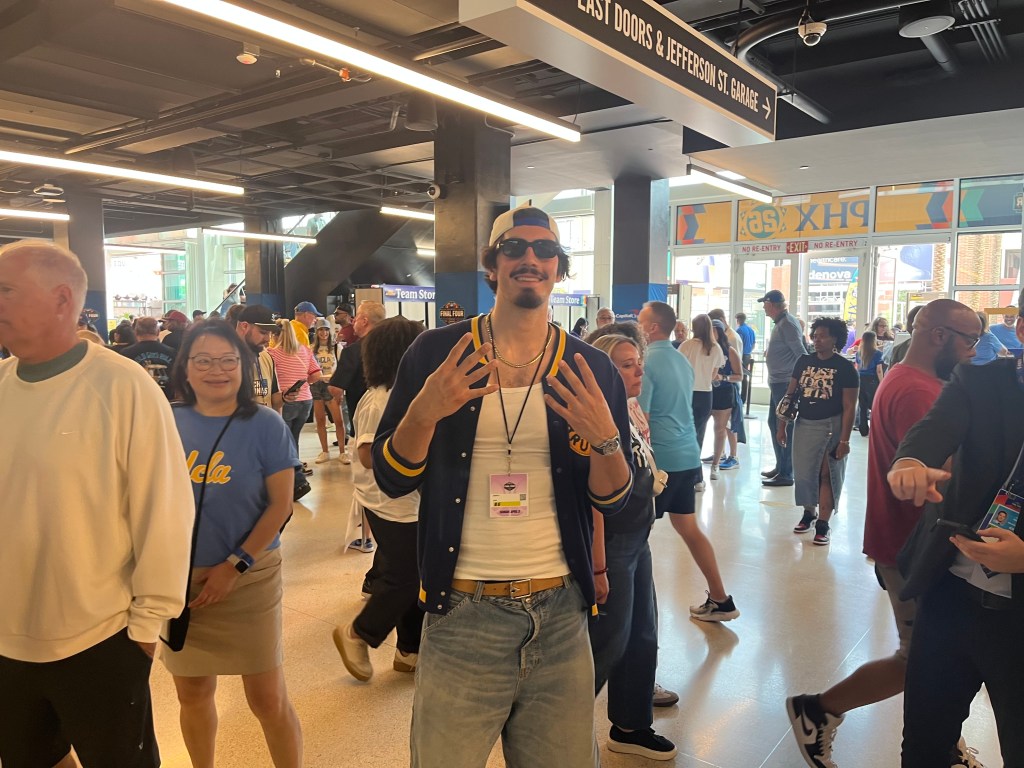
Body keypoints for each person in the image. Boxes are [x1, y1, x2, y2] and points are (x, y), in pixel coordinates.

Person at [372, 204, 633, 767]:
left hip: (562, 615)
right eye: (515, 249)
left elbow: (614, 497)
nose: (530, 260)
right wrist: (425, 413)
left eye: (544, 252)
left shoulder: (589, 369)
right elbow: (393, 479)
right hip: (463, 612)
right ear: (492, 265)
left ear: (559, 269)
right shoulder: (437, 354)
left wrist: (607, 440)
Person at [0, 240, 193, 768]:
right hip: (8, 642)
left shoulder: (122, 386)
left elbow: (166, 512)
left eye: (6, 290)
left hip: (101, 639)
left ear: (62, 299)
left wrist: (147, 629)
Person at [786, 299, 981, 768]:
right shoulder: (921, 392)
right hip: (913, 547)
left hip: (907, 543)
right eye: (970, 341)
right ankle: (818, 710)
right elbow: (943, 479)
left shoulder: (908, 377)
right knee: (917, 658)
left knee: (938, 658)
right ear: (938, 335)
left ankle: (943, 740)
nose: (975, 352)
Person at [884, 297, 1024, 766]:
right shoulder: (982, 382)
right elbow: (931, 431)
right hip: (951, 593)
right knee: (924, 740)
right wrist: (909, 462)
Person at [163, 320, 302, 768]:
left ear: (244, 367)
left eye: (227, 360)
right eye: (202, 360)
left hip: (250, 578)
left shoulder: (265, 424)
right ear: (185, 367)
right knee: (193, 690)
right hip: (180, 582)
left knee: (266, 697)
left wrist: (234, 564)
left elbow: (280, 505)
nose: (215, 370)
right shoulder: (165, 420)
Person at [587, 333, 677, 761]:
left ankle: (630, 723)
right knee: (607, 640)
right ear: (604, 370)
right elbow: (594, 499)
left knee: (642, 633)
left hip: (637, 537)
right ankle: (552, 721)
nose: (639, 369)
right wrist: (599, 566)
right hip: (614, 543)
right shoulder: (595, 420)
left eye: (638, 361)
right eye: (626, 364)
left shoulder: (632, 407)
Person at [332, 317, 425, 682]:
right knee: (408, 576)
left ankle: (409, 650)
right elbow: (369, 453)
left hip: (404, 500)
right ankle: (359, 634)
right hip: (393, 503)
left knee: (406, 573)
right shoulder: (382, 398)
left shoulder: (403, 392)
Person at [637, 300, 738, 622]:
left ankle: (632, 615)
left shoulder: (648, 361)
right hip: (686, 456)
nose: (636, 325)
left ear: (652, 327)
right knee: (688, 527)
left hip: (661, 462)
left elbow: (643, 418)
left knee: (632, 538)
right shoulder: (680, 359)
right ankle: (721, 599)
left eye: (640, 321)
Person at [777, 317, 859, 546]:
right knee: (804, 473)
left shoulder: (845, 368)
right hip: (805, 423)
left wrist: (845, 440)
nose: (817, 339)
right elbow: (790, 395)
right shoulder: (803, 361)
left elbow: (850, 407)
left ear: (835, 339)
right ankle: (808, 512)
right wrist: (782, 425)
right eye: (815, 335)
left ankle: (823, 522)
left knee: (827, 473)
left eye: (822, 335)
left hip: (831, 426)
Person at [330, 300, 387, 551]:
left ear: (364, 321)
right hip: (396, 427)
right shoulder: (399, 347)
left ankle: (366, 538)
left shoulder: (354, 351)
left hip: (363, 426)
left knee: (365, 486)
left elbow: (335, 387)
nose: (353, 322)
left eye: (356, 318)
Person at [761, 290, 807, 487]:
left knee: (784, 426)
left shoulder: (787, 323)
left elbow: (800, 353)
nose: (763, 307)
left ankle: (787, 472)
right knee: (773, 423)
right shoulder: (783, 322)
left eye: (765, 303)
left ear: (772, 304)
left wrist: (796, 383)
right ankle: (781, 466)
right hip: (778, 382)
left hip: (785, 383)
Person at [267, 319, 321, 475]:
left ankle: (290, 473)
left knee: (284, 440)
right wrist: (304, 384)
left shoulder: (272, 353)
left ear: (275, 335)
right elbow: (316, 374)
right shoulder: (304, 349)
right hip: (306, 401)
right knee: (294, 436)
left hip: (286, 401)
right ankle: (296, 469)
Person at [678, 314, 724, 490]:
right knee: (699, 434)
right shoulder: (715, 348)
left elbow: (679, 370)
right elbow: (714, 375)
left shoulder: (686, 346)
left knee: (685, 433)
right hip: (705, 395)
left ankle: (686, 474)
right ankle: (697, 478)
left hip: (687, 393)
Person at [708, 319, 744, 479]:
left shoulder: (730, 351)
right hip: (706, 392)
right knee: (700, 427)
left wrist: (723, 377)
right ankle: (716, 455)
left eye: (714, 330)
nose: (711, 334)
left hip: (724, 393)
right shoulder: (704, 349)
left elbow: (739, 376)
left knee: (721, 428)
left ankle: (717, 463)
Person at [310, 318, 347, 465]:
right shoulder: (311, 348)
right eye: (320, 330)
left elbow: (342, 369)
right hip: (317, 385)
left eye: (326, 330)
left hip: (332, 384)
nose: (323, 333)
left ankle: (342, 451)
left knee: (338, 420)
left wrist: (341, 387)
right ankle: (325, 451)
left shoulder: (337, 348)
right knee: (320, 419)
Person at [119, 315, 177, 399]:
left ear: (136, 332)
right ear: (157, 332)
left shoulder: (126, 353)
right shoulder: (172, 352)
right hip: (166, 401)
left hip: (137, 401)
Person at [855, 331, 885, 436]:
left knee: (862, 407)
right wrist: (882, 383)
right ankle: (875, 429)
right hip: (872, 380)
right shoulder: (877, 353)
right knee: (874, 406)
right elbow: (879, 370)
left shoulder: (859, 353)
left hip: (860, 380)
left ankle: (863, 429)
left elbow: (857, 368)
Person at [736, 311, 756, 404]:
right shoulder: (750, 330)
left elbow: (738, 345)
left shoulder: (739, 330)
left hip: (741, 355)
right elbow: (753, 344)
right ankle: (744, 398)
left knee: (738, 376)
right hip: (748, 354)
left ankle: (739, 398)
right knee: (745, 377)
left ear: (738, 320)